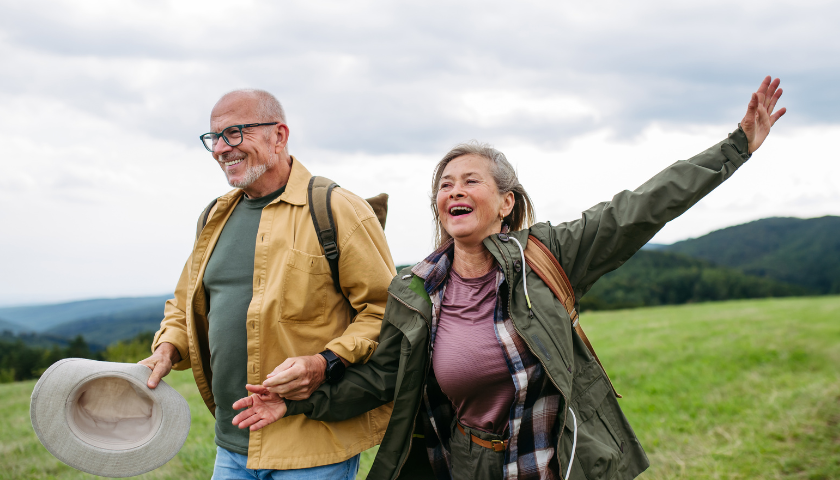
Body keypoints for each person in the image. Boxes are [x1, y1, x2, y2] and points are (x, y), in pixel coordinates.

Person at [230, 77, 786, 480]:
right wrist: (299, 403)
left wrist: (735, 148)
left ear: (505, 203)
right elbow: (382, 380)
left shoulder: (548, 255)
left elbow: (641, 207)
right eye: (444, 186)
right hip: (470, 463)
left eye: (469, 181)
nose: (452, 192)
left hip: (555, 457)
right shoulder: (418, 289)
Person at [139, 89, 396, 479]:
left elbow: (384, 311)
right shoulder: (215, 215)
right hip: (231, 444)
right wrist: (167, 348)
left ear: (279, 136)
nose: (221, 149)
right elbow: (184, 302)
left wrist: (322, 363)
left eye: (235, 133)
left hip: (312, 447)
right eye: (214, 138)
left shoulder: (337, 208)